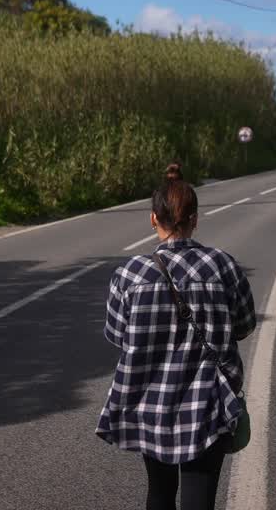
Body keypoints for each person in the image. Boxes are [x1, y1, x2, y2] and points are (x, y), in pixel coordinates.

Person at [96, 163, 257, 510]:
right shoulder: (223, 266)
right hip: (208, 406)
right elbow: (244, 326)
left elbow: (118, 337)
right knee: (200, 499)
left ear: (153, 219)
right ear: (195, 219)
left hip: (151, 405)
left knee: (159, 492)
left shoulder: (128, 274)